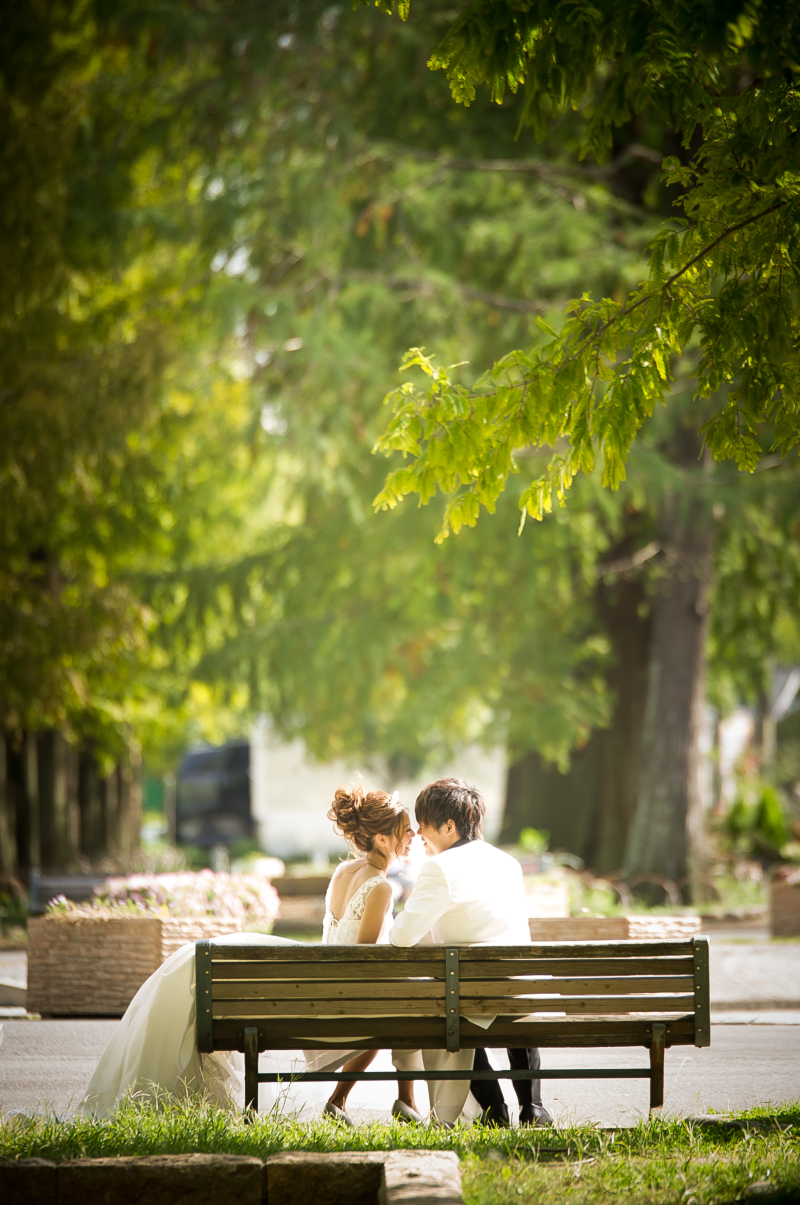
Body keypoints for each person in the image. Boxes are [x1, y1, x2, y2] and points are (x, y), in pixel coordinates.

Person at [388, 778, 553, 1128]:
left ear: (449, 826)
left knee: (451, 1005)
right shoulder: (506, 862)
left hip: (470, 994)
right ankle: (533, 1107)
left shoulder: (440, 868)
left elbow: (402, 936)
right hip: (523, 988)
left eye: (424, 824)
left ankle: (494, 1108)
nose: (418, 834)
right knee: (496, 995)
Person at [317, 783, 422, 1126]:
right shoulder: (379, 887)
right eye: (405, 831)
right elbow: (366, 958)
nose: (412, 837)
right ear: (381, 839)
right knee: (404, 1009)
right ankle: (356, 1100)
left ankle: (404, 1101)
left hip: (328, 980)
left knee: (402, 1003)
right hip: (349, 988)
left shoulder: (342, 871)